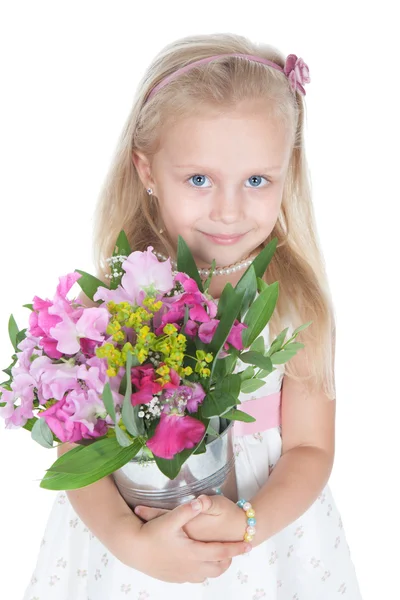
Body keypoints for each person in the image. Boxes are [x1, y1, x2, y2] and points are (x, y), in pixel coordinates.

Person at [22, 32, 363, 599]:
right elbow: (78, 448)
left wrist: (247, 525)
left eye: (257, 180)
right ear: (148, 171)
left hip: (265, 554)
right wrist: (129, 542)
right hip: (136, 551)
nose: (229, 209)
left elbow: (312, 449)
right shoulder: (116, 304)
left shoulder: (292, 303)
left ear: (287, 170)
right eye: (199, 179)